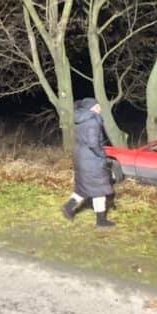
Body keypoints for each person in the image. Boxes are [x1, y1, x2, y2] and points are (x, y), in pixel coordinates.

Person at [62, 98, 115, 228]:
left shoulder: (81, 120)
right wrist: (102, 155)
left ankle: (68, 207)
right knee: (99, 190)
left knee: (84, 188)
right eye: (98, 106)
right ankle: (101, 221)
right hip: (91, 160)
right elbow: (93, 143)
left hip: (82, 158)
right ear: (93, 107)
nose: (100, 108)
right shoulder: (92, 121)